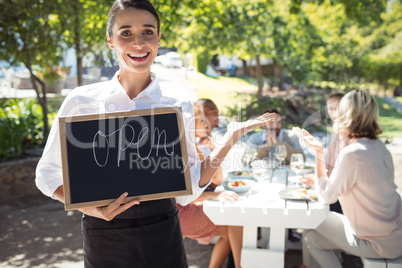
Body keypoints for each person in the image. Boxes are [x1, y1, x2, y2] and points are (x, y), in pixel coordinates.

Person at [34, 1, 277, 267]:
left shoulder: (178, 105)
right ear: (110, 40)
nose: (138, 43)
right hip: (104, 236)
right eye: (125, 33)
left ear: (159, 39)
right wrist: (91, 209)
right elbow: (47, 175)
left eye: (148, 32)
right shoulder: (81, 101)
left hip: (163, 235)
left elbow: (188, 189)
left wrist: (229, 138)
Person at [294, 89, 402, 268]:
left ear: (346, 115)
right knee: (311, 237)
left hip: (377, 243)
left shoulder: (352, 154)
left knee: (310, 217)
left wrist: (318, 152)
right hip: (394, 235)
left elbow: (327, 197)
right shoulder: (379, 147)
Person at [177, 102, 243, 268]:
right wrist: (214, 195)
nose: (207, 126)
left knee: (233, 225)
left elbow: (217, 180)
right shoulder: (182, 147)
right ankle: (240, 266)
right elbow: (181, 196)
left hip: (192, 204)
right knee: (235, 221)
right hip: (181, 211)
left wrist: (213, 148)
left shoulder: (198, 144)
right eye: (202, 122)